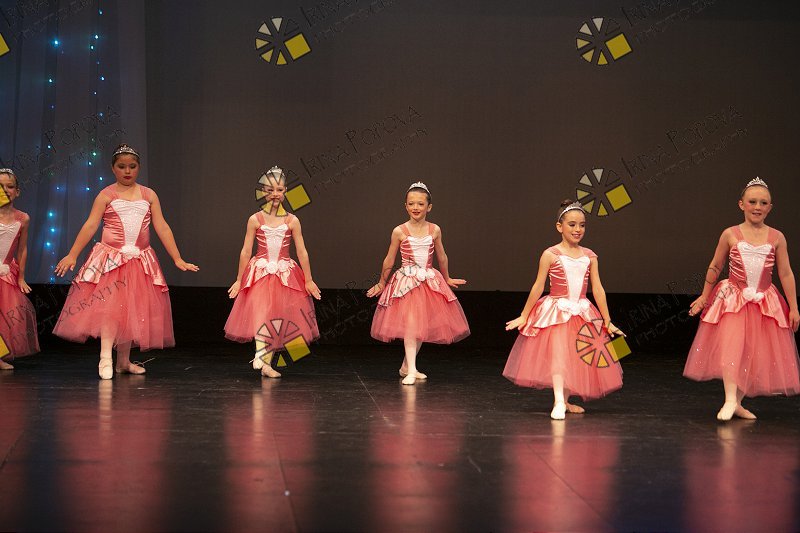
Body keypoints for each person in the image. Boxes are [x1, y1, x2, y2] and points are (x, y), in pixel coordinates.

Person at [53, 144, 198, 378]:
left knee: (131, 310)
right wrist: (72, 254)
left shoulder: (149, 195)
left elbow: (162, 226)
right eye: (121, 166)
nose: (127, 171)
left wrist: (177, 257)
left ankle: (123, 361)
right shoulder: (106, 195)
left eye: (132, 166)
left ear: (139, 167)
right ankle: (105, 357)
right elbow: (91, 225)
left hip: (140, 260)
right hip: (112, 259)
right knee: (110, 309)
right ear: (113, 169)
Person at [684, 177, 800, 420]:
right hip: (733, 299)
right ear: (741, 204)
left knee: (755, 354)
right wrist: (704, 296)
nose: (757, 207)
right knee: (732, 349)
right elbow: (716, 266)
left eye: (763, 203)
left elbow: (786, 273)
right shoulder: (730, 234)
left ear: (770, 207)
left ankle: (737, 402)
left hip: (764, 301)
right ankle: (728, 399)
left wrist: (794, 307)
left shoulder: (777, 237)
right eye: (752, 202)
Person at [503, 200, 624, 419]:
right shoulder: (550, 254)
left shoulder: (590, 256)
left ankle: (565, 401)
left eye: (582, 225)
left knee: (576, 358)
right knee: (559, 357)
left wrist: (607, 320)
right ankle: (558, 401)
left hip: (583, 311)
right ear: (560, 226)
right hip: (557, 311)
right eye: (572, 224)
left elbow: (598, 288)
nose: (578, 229)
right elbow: (538, 285)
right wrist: (524, 315)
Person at [367, 182, 470, 385]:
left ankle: (407, 366)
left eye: (420, 204)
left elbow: (442, 256)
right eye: (411, 203)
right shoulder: (399, 231)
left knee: (422, 326)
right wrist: (381, 283)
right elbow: (389, 259)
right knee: (411, 325)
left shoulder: (435, 229)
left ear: (429, 207)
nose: (416, 207)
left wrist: (447, 278)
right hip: (407, 282)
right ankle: (412, 370)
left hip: (428, 281)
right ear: (405, 206)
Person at [224, 166, 320, 378]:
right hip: (260, 272)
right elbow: (246, 251)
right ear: (263, 192)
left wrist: (309, 279)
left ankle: (266, 365)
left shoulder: (292, 220)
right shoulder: (255, 219)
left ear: (285, 191)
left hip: (285, 274)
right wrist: (239, 279)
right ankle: (260, 353)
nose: (275, 194)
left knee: (277, 318)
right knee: (261, 314)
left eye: (279, 190)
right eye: (270, 190)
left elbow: (302, 251)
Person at [0, 168, 39, 369]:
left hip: (6, 273)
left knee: (5, 317)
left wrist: (21, 277)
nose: (5, 190)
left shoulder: (23, 218)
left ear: (17, 191)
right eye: (0, 187)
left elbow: (22, 249)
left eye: (10, 187)